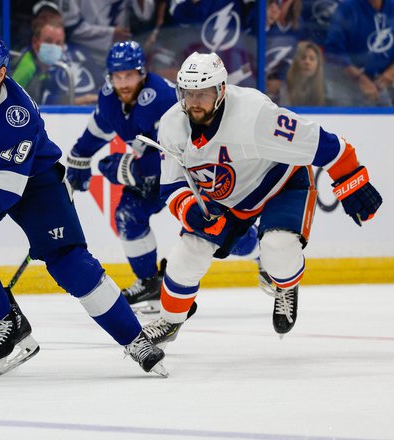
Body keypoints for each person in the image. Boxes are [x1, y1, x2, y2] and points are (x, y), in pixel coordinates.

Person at [0, 31, 167, 377]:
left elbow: (0, 193)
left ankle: (134, 338)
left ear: (0, 74)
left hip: (35, 183)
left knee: (71, 264)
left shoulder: (17, 115)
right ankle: (9, 321)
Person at [142, 52, 382, 345]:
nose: (194, 101)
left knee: (278, 250)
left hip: (281, 184)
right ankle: (170, 321)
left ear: (221, 90)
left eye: (203, 93)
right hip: (227, 201)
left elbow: (322, 143)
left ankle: (285, 285)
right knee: (187, 253)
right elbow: (172, 184)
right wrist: (190, 210)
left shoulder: (254, 115)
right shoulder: (172, 125)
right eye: (189, 93)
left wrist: (350, 177)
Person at [65, 41, 258, 313]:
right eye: (117, 76)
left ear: (142, 73)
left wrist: (131, 169)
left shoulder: (164, 98)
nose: (123, 82)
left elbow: (173, 152)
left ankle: (262, 253)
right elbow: (97, 130)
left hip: (192, 173)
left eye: (129, 75)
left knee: (218, 234)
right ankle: (149, 283)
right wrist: (78, 158)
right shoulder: (109, 98)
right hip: (155, 177)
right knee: (127, 215)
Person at [12, 16, 101, 105]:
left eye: (58, 43)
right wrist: (83, 99)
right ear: (35, 42)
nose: (53, 47)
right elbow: (8, 96)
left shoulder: (46, 67)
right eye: (48, 41)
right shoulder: (27, 67)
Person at [324, 0, 394, 106]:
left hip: (384, 82)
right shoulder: (347, 8)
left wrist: (390, 73)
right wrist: (360, 79)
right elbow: (334, 49)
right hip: (347, 82)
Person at [280, 41, 326, 106]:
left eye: (312, 59)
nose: (307, 62)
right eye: (303, 58)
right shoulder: (282, 89)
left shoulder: (327, 91)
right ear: (295, 62)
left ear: (318, 65)